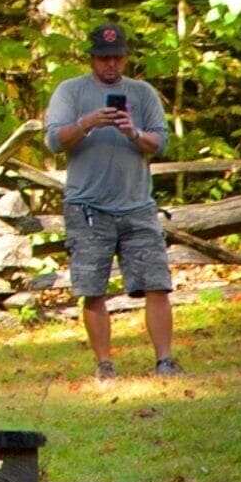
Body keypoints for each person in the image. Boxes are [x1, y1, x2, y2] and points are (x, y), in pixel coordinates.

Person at [45, 21, 177, 377]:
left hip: (137, 204)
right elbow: (54, 140)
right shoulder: (70, 92)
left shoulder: (143, 93)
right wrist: (88, 122)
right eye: (104, 59)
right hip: (87, 208)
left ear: (125, 58)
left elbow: (160, 143)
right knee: (93, 288)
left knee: (156, 284)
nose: (111, 66)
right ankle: (105, 364)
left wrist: (132, 131)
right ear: (92, 59)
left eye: (117, 58)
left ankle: (165, 360)